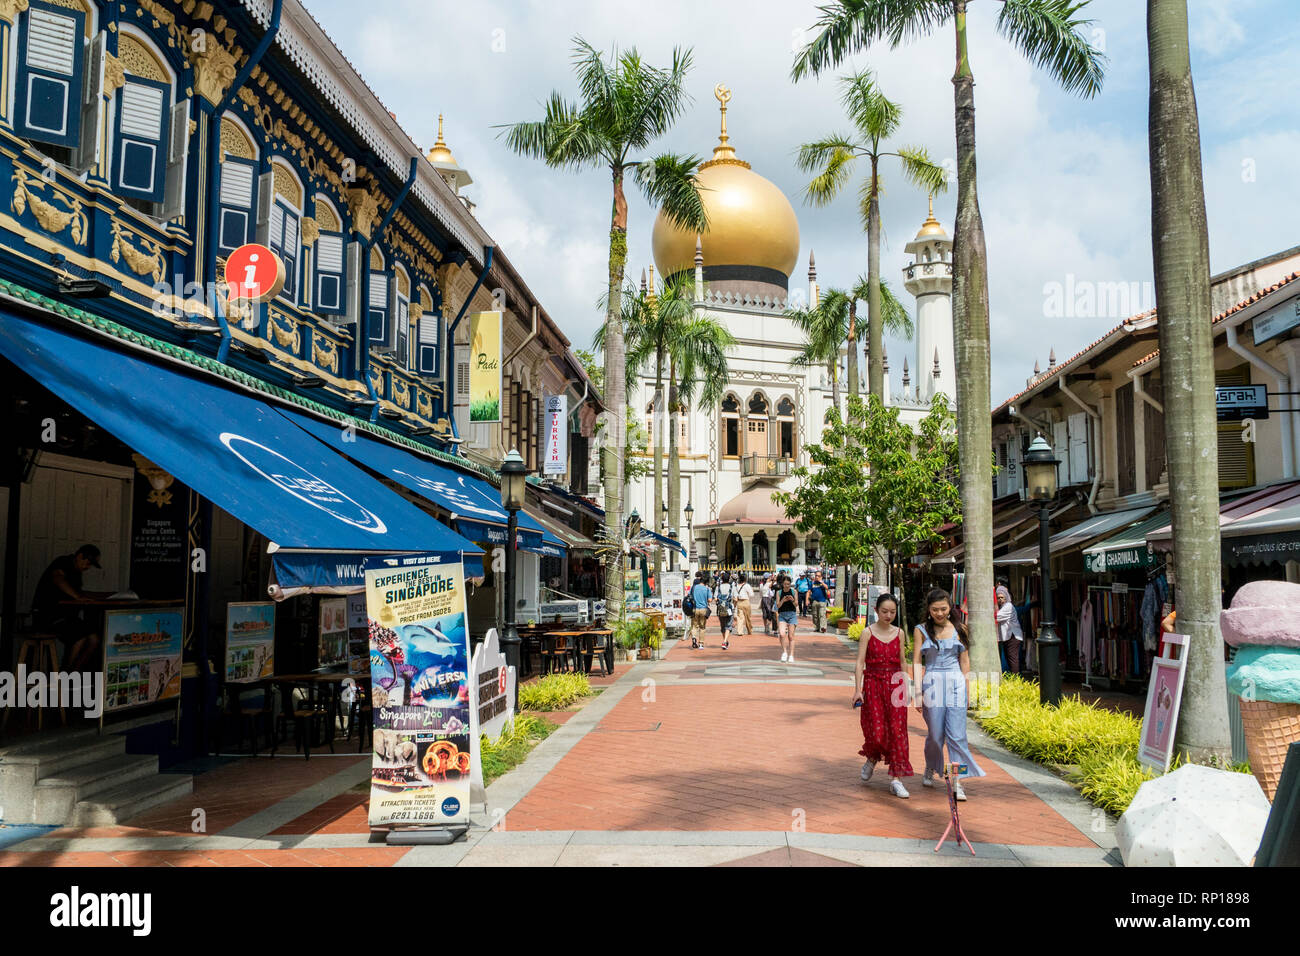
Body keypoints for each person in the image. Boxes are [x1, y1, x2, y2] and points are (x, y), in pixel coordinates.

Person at [912, 587, 985, 800]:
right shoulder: (921, 630)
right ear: (928, 609)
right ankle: (930, 766)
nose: (939, 613)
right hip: (932, 683)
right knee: (935, 736)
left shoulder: (961, 629)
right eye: (935, 609)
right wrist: (917, 692)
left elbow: (965, 662)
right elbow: (917, 660)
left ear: (950, 607)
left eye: (943, 609)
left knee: (957, 736)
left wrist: (968, 690)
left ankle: (957, 780)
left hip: (956, 684)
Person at [855, 592, 913, 798]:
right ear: (876, 611)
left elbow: (903, 661)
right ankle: (872, 757)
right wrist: (857, 690)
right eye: (884, 611)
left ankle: (896, 779)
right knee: (877, 731)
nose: (888, 615)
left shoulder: (899, 633)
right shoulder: (867, 633)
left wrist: (906, 685)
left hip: (895, 684)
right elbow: (860, 662)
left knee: (898, 731)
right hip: (873, 684)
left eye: (892, 612)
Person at [31, 544, 111, 672]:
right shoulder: (63, 562)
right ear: (79, 556)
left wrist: (109, 595)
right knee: (79, 637)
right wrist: (77, 597)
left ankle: (73, 672)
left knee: (94, 639)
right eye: (87, 563)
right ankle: (64, 673)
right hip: (48, 617)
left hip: (67, 618)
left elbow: (81, 593)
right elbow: (58, 579)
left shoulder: (76, 573)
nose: (87, 567)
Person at [996, 582, 1024, 674]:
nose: (1000, 600)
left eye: (1002, 597)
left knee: (1013, 659)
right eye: (998, 598)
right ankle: (1014, 678)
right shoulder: (1002, 607)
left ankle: (1016, 678)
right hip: (1008, 637)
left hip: (1012, 636)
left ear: (1006, 597)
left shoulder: (1008, 606)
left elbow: (997, 617)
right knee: (1009, 658)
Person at [775, 573, 799, 662]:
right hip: (782, 615)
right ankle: (784, 652)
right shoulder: (779, 592)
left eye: (788, 584)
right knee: (781, 634)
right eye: (785, 584)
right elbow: (778, 606)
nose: (786, 586)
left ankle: (791, 655)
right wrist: (783, 600)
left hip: (792, 615)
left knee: (791, 636)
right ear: (782, 584)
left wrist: (792, 599)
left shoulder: (794, 591)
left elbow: (796, 604)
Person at [690, 573, 713, 649]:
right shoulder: (707, 589)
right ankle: (701, 644)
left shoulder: (694, 588)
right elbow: (710, 600)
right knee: (702, 627)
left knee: (694, 625)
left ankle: (693, 637)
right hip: (703, 609)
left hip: (695, 609)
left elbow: (690, 596)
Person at [715, 571, 735, 650]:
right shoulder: (732, 587)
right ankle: (725, 641)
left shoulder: (718, 587)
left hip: (720, 609)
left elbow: (715, 598)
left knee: (723, 626)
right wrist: (734, 606)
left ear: (722, 579)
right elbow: (735, 598)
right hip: (729, 608)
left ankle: (725, 641)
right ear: (729, 579)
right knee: (728, 625)